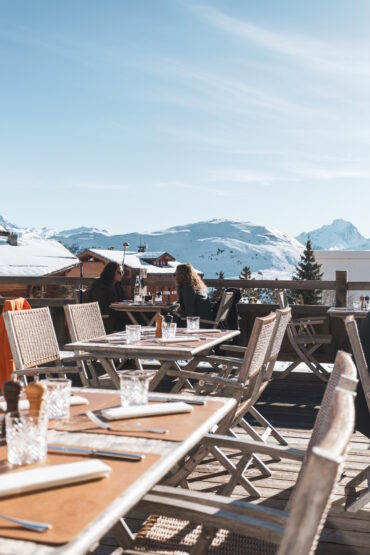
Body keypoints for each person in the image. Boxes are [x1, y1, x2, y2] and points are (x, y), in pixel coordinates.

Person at [85, 262, 126, 333]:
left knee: (137, 316)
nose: (121, 275)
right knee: (133, 320)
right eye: (119, 272)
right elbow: (99, 307)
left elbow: (123, 301)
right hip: (104, 320)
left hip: (116, 315)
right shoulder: (100, 286)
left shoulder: (118, 286)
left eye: (122, 272)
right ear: (111, 272)